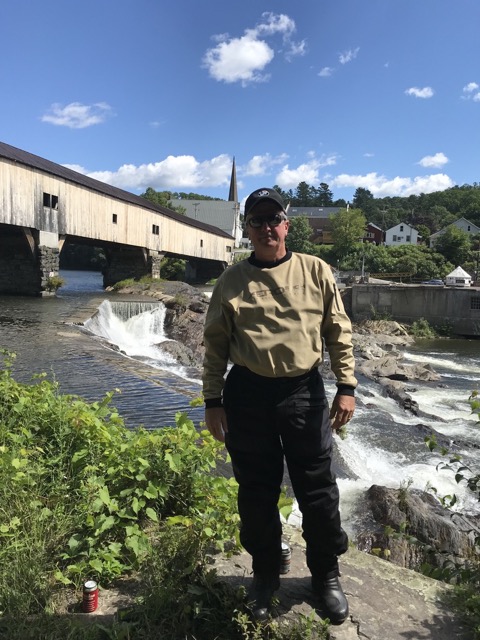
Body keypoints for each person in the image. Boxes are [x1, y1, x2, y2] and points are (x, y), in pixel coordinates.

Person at [202, 187, 356, 624]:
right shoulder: (232, 278)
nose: (267, 228)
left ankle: (325, 575)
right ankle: (265, 574)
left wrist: (347, 385)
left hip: (303, 393)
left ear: (287, 224)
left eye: (274, 219)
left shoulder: (315, 269)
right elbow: (214, 345)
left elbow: (338, 331)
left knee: (319, 490)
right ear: (247, 228)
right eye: (257, 221)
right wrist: (213, 400)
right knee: (255, 494)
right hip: (248, 395)